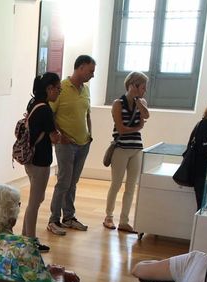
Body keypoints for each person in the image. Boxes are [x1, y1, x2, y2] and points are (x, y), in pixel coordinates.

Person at [0, 183, 79, 282]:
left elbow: (20, 269)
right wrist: (59, 274)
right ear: (10, 214)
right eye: (18, 205)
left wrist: (49, 271)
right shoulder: (23, 247)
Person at [47, 55, 96, 236]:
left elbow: (87, 114)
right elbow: (50, 115)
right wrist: (61, 135)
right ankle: (53, 220)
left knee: (73, 182)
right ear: (80, 67)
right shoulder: (62, 88)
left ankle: (69, 217)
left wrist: (90, 135)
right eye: (90, 71)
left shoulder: (86, 90)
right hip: (66, 144)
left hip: (84, 143)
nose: (92, 75)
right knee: (63, 182)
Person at [103, 71, 149, 235]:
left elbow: (145, 117)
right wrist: (135, 128)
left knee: (131, 186)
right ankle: (108, 216)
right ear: (132, 86)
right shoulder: (118, 103)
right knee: (116, 184)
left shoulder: (141, 102)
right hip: (121, 148)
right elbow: (121, 128)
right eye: (142, 87)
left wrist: (138, 103)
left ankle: (124, 220)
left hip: (136, 149)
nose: (144, 91)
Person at [22, 72, 62, 252]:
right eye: (57, 88)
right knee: (35, 201)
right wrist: (59, 136)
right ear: (49, 89)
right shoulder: (45, 109)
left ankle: (26, 236)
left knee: (35, 199)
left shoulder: (33, 103)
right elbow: (54, 137)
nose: (59, 92)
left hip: (31, 159)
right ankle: (30, 241)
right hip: (40, 160)